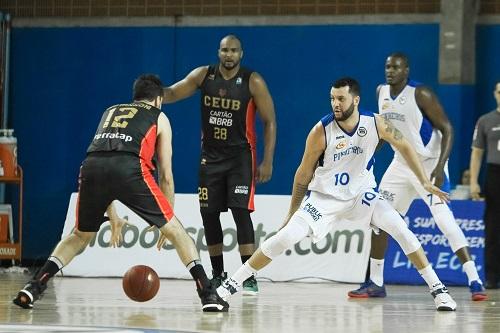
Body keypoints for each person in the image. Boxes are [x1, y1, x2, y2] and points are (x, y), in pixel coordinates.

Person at [216, 77, 457, 311]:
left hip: (362, 194)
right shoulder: (321, 131)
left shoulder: (376, 123)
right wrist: (292, 212)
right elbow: (302, 175)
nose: (335, 104)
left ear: (356, 100)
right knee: (284, 238)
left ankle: (439, 290)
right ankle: (228, 288)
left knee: (399, 228)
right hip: (324, 198)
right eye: (332, 98)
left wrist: (424, 181)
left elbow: (405, 146)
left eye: (341, 98)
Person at [12, 74, 228, 312]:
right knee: (179, 233)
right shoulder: (160, 116)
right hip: (130, 168)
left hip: (91, 167)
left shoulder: (110, 111)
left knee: (79, 236)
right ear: (158, 99)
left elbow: (106, 159)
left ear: (135, 96)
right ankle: (208, 295)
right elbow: (165, 174)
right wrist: (168, 221)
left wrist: (112, 214)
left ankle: (34, 287)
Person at [348, 53, 487, 301]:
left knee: (445, 222)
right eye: (387, 66)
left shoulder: (420, 94)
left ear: (406, 70)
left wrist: (440, 166)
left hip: (430, 163)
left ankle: (474, 279)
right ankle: (375, 282)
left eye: (395, 67)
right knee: (378, 219)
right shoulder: (381, 92)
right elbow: (384, 132)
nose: (390, 70)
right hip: (400, 164)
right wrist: (366, 156)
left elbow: (447, 129)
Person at [161, 35, 276, 295]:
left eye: (234, 51)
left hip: (240, 159)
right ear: (218, 52)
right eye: (225, 50)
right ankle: (217, 274)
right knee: (209, 215)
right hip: (210, 158)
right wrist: (151, 95)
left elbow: (270, 121)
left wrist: (267, 160)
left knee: (240, 213)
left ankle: (247, 276)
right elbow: (173, 92)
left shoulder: (252, 81)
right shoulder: (204, 75)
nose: (228, 55)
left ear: (241, 54)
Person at [470, 81, 500, 289]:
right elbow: (477, 152)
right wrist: (473, 181)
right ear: (495, 94)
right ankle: (491, 276)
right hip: (494, 174)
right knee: (493, 227)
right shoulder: (485, 120)